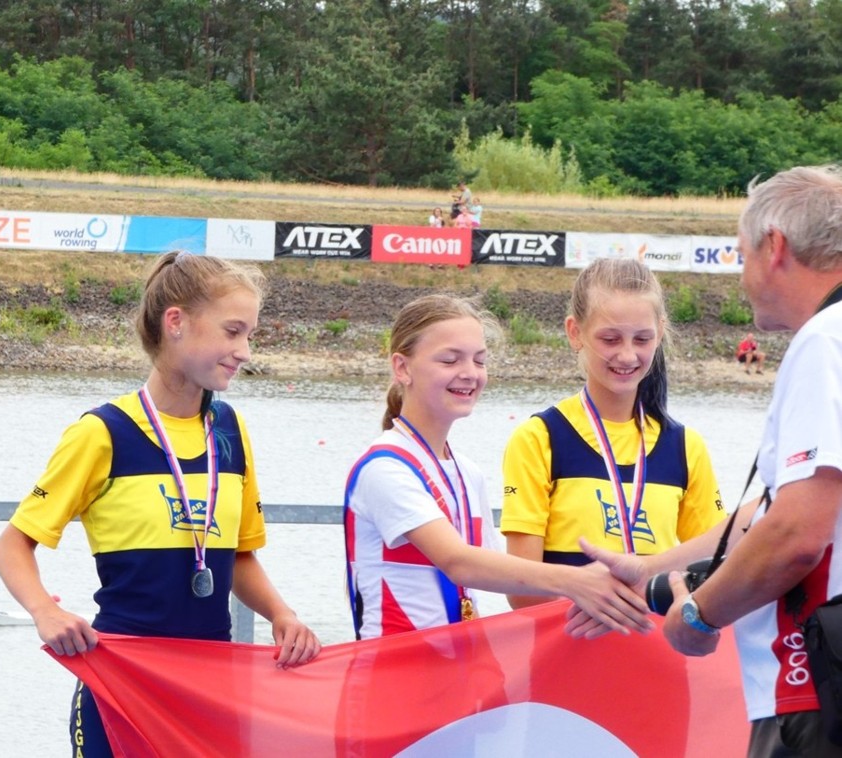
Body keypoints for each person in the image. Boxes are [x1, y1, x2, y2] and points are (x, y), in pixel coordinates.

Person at [0, 251, 321, 757]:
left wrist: (282, 614)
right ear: (176, 323)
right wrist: (44, 611)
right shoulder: (102, 432)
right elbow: (12, 545)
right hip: (123, 680)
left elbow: (237, 556)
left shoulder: (229, 429)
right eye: (233, 331)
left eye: (250, 335)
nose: (245, 351)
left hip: (211, 687)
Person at [578, 166, 842, 757]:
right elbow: (776, 509)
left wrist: (700, 613)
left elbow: (798, 533)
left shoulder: (826, 340)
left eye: (741, 255)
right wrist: (649, 568)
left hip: (812, 681)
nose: (741, 277)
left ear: (775, 247)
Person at [343, 293, 652, 640]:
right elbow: (459, 563)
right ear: (402, 368)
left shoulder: (467, 472)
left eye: (479, 360)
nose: (469, 374)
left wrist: (615, 599)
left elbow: (489, 577)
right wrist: (578, 580)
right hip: (395, 665)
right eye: (450, 360)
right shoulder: (384, 468)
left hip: (456, 665)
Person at [500, 258, 725, 610]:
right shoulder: (539, 439)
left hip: (657, 641)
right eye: (610, 339)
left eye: (642, 339)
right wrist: (605, 602)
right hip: (567, 642)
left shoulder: (685, 447)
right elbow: (521, 591)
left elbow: (715, 567)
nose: (627, 355)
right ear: (575, 332)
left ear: (660, 333)